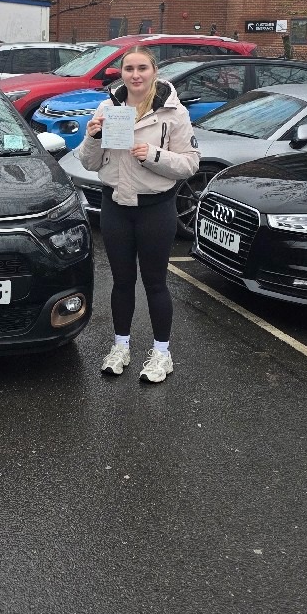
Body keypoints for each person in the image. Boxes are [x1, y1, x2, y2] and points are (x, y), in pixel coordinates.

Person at [75, 45, 199, 383]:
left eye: (142, 68)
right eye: (129, 68)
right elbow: (89, 162)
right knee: (121, 282)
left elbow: (190, 163)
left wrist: (154, 155)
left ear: (154, 71)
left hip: (155, 208)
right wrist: (92, 137)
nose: (135, 75)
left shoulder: (173, 112)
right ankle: (121, 346)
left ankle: (162, 353)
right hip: (116, 206)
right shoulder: (108, 108)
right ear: (121, 73)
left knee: (155, 283)